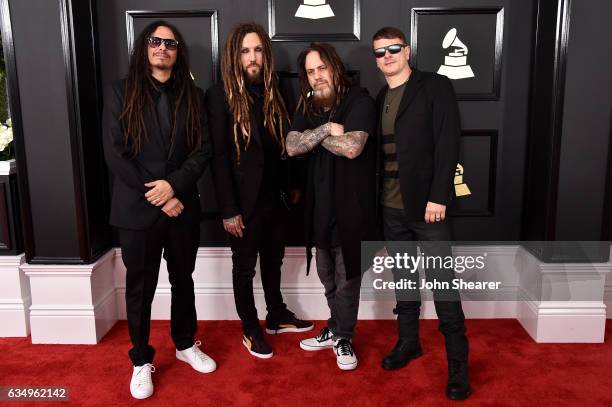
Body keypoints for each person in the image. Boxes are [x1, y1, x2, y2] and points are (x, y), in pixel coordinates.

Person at [102, 21, 215, 400]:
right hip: (138, 210)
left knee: (184, 280)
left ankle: (185, 344)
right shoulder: (121, 92)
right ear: (145, 47)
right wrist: (161, 195)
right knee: (140, 288)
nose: (162, 48)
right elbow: (116, 153)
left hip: (183, 207)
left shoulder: (195, 96)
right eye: (155, 41)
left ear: (178, 51)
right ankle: (140, 361)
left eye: (169, 43)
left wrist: (175, 187)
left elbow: (203, 150)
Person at [371, 27, 471, 400]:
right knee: (405, 283)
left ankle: (459, 368)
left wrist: (439, 196)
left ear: (407, 50)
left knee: (444, 289)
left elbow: (449, 141)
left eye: (393, 49)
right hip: (391, 209)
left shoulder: (435, 86)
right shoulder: (381, 96)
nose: (387, 57)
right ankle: (408, 343)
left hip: (428, 209)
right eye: (380, 53)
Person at [206, 22, 313, 359]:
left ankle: (276, 313)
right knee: (244, 267)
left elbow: (287, 142)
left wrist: (294, 184)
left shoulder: (275, 90)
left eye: (257, 50)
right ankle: (250, 327)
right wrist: (228, 209)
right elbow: (219, 156)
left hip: (276, 195)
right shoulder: (219, 94)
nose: (252, 58)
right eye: (245, 51)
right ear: (234, 56)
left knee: (274, 259)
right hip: (242, 201)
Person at [286, 43, 377, 371]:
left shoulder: (360, 100)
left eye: (321, 68)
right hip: (319, 210)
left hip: (354, 211)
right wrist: (325, 129)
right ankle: (336, 330)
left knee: (347, 277)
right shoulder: (309, 108)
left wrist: (312, 137)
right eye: (310, 72)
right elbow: (292, 146)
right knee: (327, 277)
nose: (317, 77)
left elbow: (353, 147)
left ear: (335, 68)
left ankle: (343, 337)